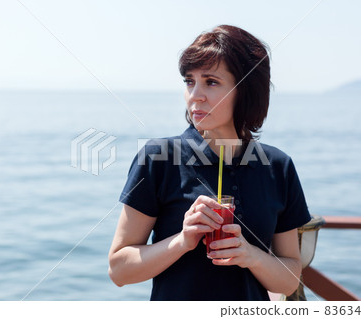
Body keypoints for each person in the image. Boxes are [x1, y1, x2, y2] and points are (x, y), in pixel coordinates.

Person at [108, 25, 311, 301]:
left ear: (246, 90)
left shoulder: (278, 166)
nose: (195, 95)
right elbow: (119, 270)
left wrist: (250, 255)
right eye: (189, 81)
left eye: (211, 82)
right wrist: (182, 241)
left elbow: (289, 281)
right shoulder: (158, 158)